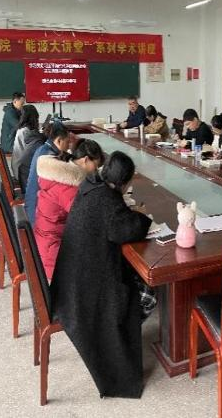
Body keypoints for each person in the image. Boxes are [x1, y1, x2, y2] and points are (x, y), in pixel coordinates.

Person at [50, 151, 154, 399]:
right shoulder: (108, 200)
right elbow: (125, 230)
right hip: (86, 293)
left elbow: (113, 222)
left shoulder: (91, 185)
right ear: (124, 182)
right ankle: (122, 338)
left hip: (70, 282)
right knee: (148, 295)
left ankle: (128, 334)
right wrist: (142, 216)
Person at [34, 139, 105, 280]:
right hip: (54, 254)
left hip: (46, 242)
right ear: (85, 160)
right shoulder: (67, 186)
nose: (95, 171)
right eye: (96, 166)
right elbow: (87, 219)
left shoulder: (61, 174)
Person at [24, 121, 70, 224]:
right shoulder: (49, 157)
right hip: (37, 215)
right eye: (67, 142)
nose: (68, 146)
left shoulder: (43, 148)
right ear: (59, 140)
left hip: (32, 205)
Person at [11, 104, 40, 179]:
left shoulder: (23, 129)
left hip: (19, 168)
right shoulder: (26, 132)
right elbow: (36, 149)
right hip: (22, 173)